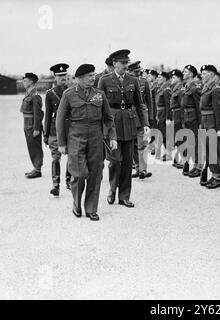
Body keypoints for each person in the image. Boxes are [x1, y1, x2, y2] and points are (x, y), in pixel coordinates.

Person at [56, 64, 117, 220]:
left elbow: (109, 118)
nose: (93, 78)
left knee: (96, 173)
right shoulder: (69, 94)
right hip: (76, 136)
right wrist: (61, 143)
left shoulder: (99, 94)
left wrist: (112, 137)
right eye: (90, 76)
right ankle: (76, 204)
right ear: (80, 78)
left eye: (94, 75)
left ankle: (91, 209)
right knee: (79, 173)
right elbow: (60, 120)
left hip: (96, 137)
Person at [98, 49, 149, 208]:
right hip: (112, 125)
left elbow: (140, 104)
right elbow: (99, 105)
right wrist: (101, 128)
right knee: (114, 161)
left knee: (127, 162)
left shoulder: (133, 80)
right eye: (122, 63)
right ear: (114, 64)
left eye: (127, 63)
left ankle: (124, 196)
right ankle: (113, 189)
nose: (125, 66)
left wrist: (145, 123)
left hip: (129, 124)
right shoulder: (104, 80)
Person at [44, 63, 72, 195]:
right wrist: (46, 134)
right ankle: (56, 184)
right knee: (56, 158)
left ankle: (69, 181)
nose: (62, 78)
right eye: (59, 76)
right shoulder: (50, 94)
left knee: (72, 156)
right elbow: (48, 115)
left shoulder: (73, 91)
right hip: (55, 130)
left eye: (64, 75)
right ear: (55, 77)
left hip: (71, 129)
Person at [199, 64, 220, 189]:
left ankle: (217, 176)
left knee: (214, 149)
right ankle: (213, 174)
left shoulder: (215, 89)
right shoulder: (206, 88)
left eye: (205, 73)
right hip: (205, 120)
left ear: (212, 74)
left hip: (212, 122)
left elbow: (218, 110)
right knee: (208, 149)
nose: (202, 76)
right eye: (202, 74)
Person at [128, 61, 153, 179]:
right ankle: (137, 168)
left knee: (142, 144)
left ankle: (143, 170)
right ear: (130, 71)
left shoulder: (144, 82)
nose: (138, 75)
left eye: (139, 72)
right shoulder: (125, 83)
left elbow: (149, 102)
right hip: (129, 118)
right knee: (132, 145)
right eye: (135, 72)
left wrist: (150, 118)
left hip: (141, 117)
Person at [180, 65, 202, 177]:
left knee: (196, 142)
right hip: (187, 117)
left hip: (194, 118)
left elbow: (199, 106)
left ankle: (198, 166)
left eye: (186, 71)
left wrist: (200, 123)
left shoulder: (195, 87)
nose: (183, 73)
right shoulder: (187, 86)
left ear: (192, 74)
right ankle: (193, 164)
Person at [21, 72, 44, 179]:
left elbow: (37, 113)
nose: (23, 82)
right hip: (27, 123)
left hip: (32, 124)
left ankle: (38, 169)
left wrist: (36, 128)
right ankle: (35, 167)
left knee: (35, 147)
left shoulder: (35, 96)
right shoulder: (29, 93)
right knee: (31, 146)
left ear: (31, 82)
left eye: (25, 81)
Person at [169, 69, 185, 168]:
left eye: (174, 77)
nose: (171, 79)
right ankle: (178, 158)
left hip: (179, 115)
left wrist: (182, 120)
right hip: (175, 114)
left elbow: (182, 106)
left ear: (179, 78)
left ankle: (183, 160)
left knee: (181, 138)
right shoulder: (175, 88)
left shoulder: (181, 89)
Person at [155, 71, 172, 160]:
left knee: (165, 135)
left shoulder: (166, 90)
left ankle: (168, 154)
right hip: (160, 115)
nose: (158, 79)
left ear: (165, 79)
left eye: (160, 77)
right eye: (158, 77)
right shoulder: (160, 89)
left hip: (164, 115)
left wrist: (168, 118)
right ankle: (166, 153)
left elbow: (169, 105)